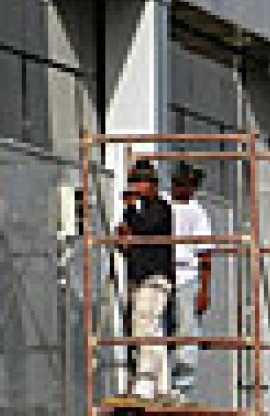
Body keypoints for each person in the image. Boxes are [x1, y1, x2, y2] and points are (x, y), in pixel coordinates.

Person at [117, 160, 174, 400]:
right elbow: (134, 241)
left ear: (152, 184)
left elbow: (146, 228)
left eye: (141, 182)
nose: (137, 187)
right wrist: (124, 240)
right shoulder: (138, 211)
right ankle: (160, 384)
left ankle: (144, 382)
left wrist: (130, 210)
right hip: (141, 276)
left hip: (155, 277)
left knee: (145, 326)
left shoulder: (160, 208)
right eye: (134, 181)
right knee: (152, 330)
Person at [163, 161, 214, 400]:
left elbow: (205, 254)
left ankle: (182, 386)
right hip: (161, 275)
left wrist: (204, 289)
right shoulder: (163, 203)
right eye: (177, 183)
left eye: (186, 184)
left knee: (187, 333)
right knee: (158, 330)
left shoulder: (197, 212)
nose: (180, 188)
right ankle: (157, 382)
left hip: (186, 277)